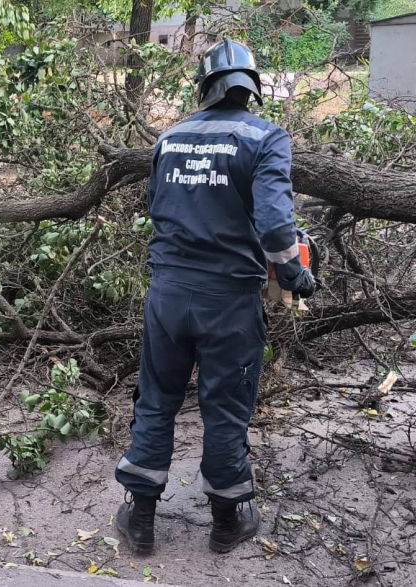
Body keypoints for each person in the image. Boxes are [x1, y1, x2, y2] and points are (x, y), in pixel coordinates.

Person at [113, 38, 315, 554]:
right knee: (225, 407)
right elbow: (274, 225)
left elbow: (158, 204)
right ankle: (227, 524)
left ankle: (140, 521)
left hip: (168, 293)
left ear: (205, 86)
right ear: (252, 87)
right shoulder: (267, 137)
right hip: (228, 300)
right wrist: (294, 274)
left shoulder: (170, 136)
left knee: (156, 399)